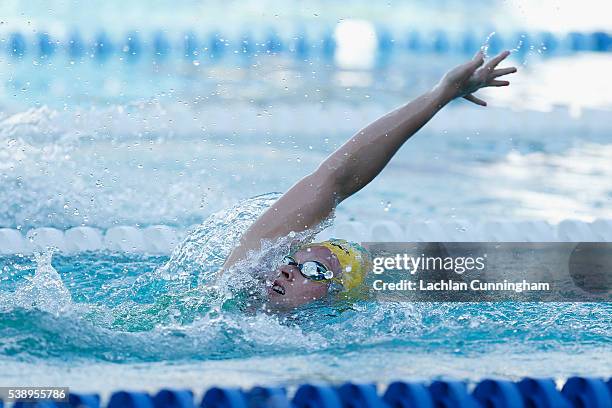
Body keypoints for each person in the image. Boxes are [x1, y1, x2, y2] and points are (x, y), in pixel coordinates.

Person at [220, 50, 517, 311]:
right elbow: (335, 179)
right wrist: (438, 96)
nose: (285, 271)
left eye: (313, 270)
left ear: (336, 299)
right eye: (292, 260)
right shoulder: (230, 291)